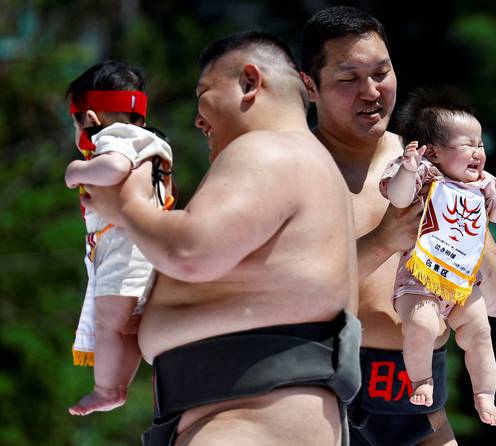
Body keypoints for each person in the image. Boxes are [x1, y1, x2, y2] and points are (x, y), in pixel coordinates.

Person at [84, 31, 361, 446]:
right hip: (242, 415)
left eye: (204, 93)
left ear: (249, 83)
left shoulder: (269, 149)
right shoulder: (299, 161)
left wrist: (125, 204)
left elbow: (192, 250)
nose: (198, 119)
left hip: (254, 418)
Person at [300, 6, 496, 445]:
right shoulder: (285, 166)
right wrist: (384, 241)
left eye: (382, 72)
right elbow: (283, 295)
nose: (371, 91)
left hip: (415, 409)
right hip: (309, 404)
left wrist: (466, 250)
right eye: (348, 79)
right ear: (310, 86)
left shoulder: (438, 169)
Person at [380, 87, 496, 426]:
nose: (478, 151)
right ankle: (421, 380)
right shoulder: (424, 176)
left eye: (479, 143)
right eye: (467, 144)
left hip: (462, 283)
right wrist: (407, 168)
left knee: (480, 332)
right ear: (433, 152)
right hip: (420, 278)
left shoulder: (483, 184)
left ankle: (485, 394)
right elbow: (399, 198)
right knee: (421, 325)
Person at [65, 60, 174, 416]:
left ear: (91, 119)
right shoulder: (151, 143)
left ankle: (107, 387)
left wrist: (77, 169)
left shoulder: (114, 140)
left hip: (123, 248)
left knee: (109, 324)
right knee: (125, 327)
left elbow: (114, 168)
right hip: (144, 247)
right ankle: (115, 386)